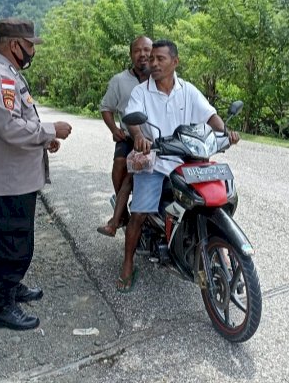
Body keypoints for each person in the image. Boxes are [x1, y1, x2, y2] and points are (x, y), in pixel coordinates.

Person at [0, 18, 72, 330]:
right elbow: (9, 127)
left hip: (15, 177)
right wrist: (51, 128)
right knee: (13, 243)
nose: (32, 51)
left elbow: (19, 118)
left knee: (17, 239)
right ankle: (2, 307)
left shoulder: (6, 72)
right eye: (29, 45)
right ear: (14, 45)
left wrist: (44, 139)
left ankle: (13, 289)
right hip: (9, 179)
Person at [117, 39, 239, 292]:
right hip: (158, 161)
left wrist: (226, 131)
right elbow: (133, 119)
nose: (154, 63)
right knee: (139, 213)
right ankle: (127, 263)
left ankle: (220, 249)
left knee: (213, 199)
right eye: (152, 59)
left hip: (189, 160)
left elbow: (209, 115)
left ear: (175, 62)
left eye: (160, 59)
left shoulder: (188, 90)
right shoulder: (141, 92)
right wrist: (139, 136)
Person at [96, 36, 153, 237]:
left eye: (147, 50)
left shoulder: (162, 79)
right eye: (137, 51)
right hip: (130, 138)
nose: (143, 55)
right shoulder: (119, 80)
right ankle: (121, 215)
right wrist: (114, 130)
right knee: (121, 165)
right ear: (131, 55)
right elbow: (106, 108)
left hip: (157, 139)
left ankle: (121, 217)